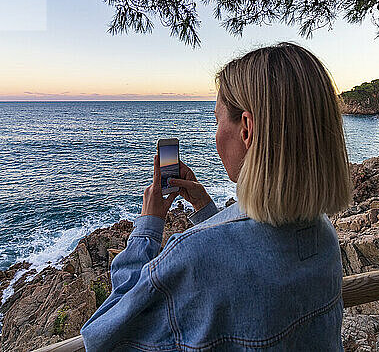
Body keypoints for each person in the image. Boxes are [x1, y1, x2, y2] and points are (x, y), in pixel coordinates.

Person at [81, 42, 352, 351]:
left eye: (217, 120)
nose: (215, 134)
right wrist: (204, 207)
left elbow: (103, 336)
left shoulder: (194, 254)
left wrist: (148, 224)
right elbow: (251, 255)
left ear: (246, 129)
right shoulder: (323, 234)